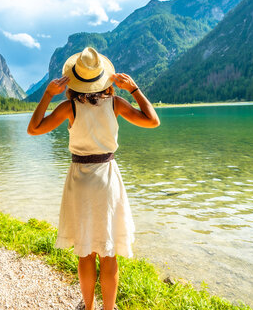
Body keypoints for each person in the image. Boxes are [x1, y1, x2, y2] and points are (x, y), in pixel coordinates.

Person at [27, 47, 160, 310]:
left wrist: (47, 94)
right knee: (108, 254)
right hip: (107, 179)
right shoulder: (116, 104)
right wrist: (134, 89)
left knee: (86, 252)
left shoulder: (69, 108)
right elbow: (152, 121)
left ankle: (89, 308)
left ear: (75, 79)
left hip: (80, 180)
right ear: (102, 77)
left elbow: (34, 129)